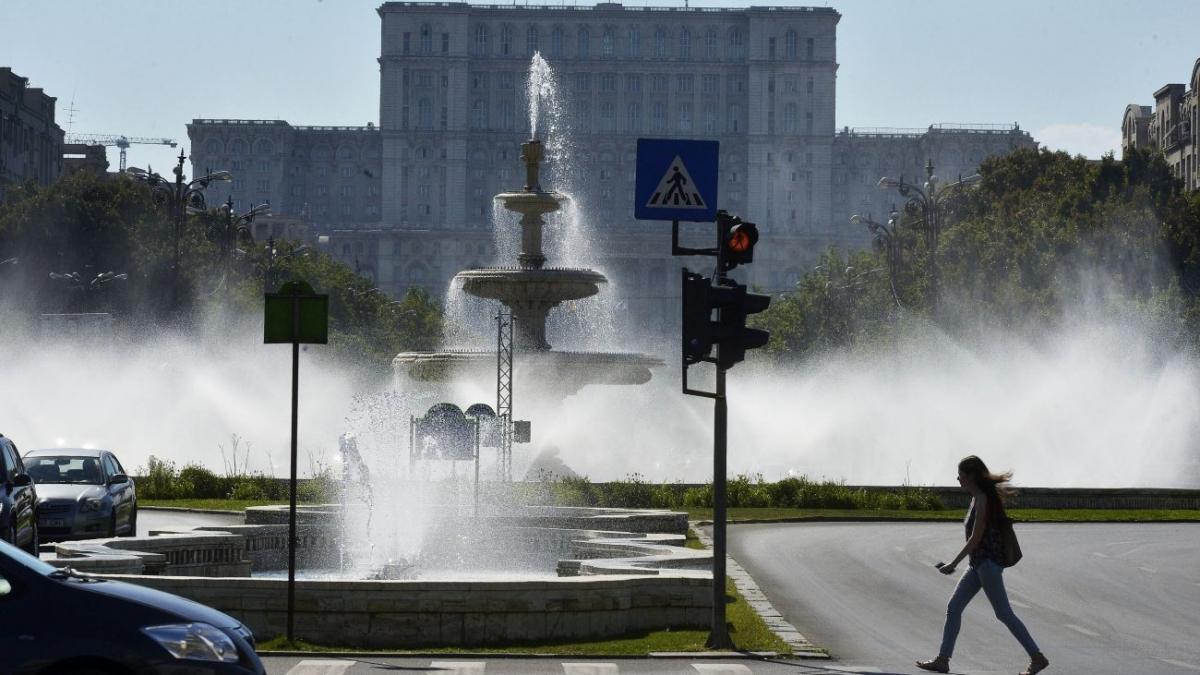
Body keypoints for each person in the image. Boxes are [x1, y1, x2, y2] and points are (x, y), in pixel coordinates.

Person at [916, 455, 1049, 675]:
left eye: (960, 474)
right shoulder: (978, 497)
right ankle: (942, 659)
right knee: (954, 607)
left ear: (971, 475)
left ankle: (1037, 658)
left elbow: (976, 538)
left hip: (987, 565)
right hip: (978, 564)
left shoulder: (983, 498)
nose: (957, 479)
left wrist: (953, 563)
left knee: (1004, 613)